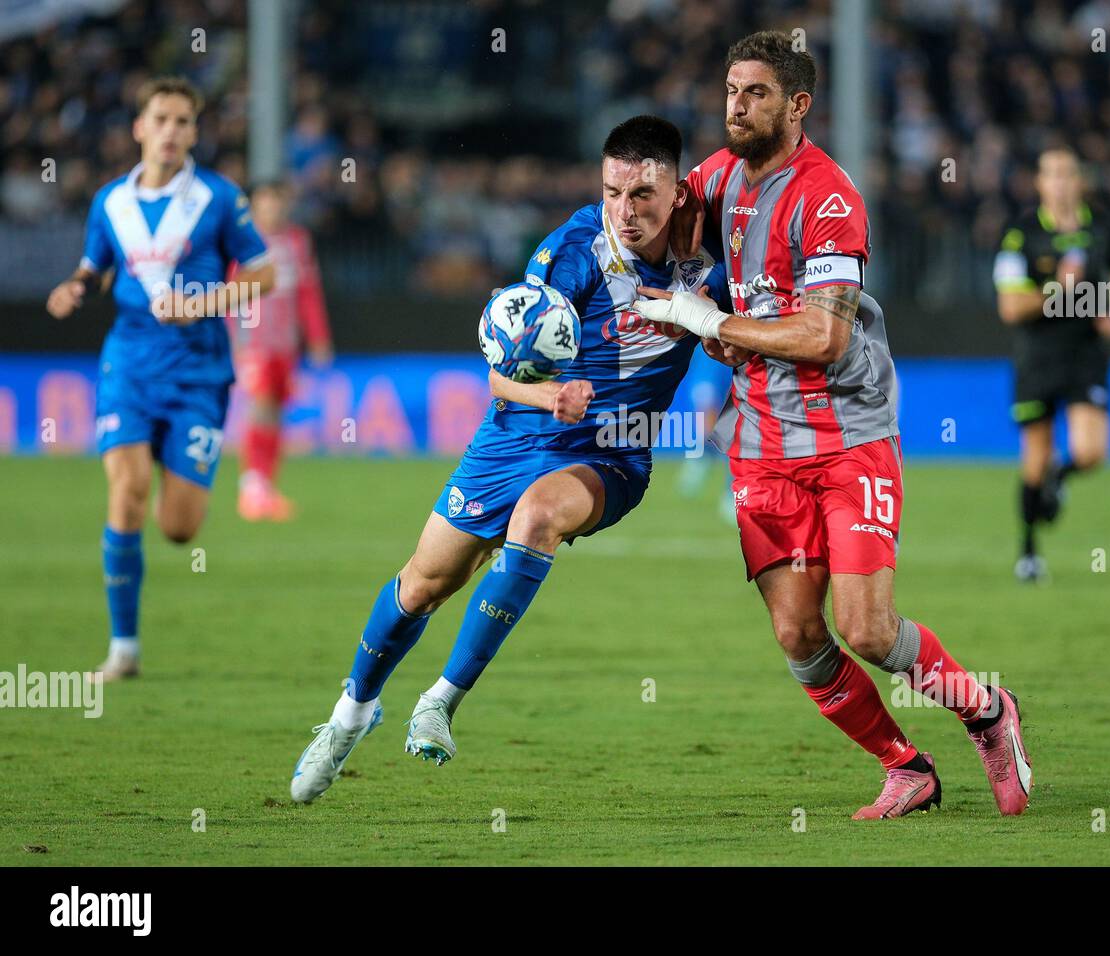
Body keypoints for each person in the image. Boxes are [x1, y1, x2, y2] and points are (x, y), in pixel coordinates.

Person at [638, 31, 1032, 818]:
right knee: (797, 634)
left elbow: (826, 337)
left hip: (849, 435)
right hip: (761, 445)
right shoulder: (716, 180)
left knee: (867, 627)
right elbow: (656, 228)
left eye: (754, 93)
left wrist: (706, 318)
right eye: (729, 91)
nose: (736, 106)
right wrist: (649, 256)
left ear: (797, 105)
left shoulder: (828, 197)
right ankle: (905, 767)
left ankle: (985, 710)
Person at [290, 116, 737, 804]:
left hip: (611, 452)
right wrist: (551, 390)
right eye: (613, 191)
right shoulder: (572, 252)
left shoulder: (713, 263)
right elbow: (498, 376)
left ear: (677, 191)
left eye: (642, 194)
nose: (625, 210)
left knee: (536, 520)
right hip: (515, 436)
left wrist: (714, 332)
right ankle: (349, 716)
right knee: (422, 587)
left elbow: (739, 344)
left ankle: (440, 701)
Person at [45, 76, 274, 682]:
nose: (172, 131)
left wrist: (204, 300)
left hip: (199, 376)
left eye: (183, 121)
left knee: (178, 528)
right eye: (162, 119)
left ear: (194, 133)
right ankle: (123, 649)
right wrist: (74, 287)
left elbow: (265, 274)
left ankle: (169, 476)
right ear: (139, 128)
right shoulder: (110, 203)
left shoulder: (220, 199)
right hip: (129, 367)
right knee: (127, 492)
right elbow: (94, 266)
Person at [994, 147, 1110, 582]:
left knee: (1092, 452)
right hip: (1038, 356)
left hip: (1085, 354)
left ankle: (1063, 472)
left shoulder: (1107, 229)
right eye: (1051, 174)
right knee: (1034, 455)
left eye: (1068, 174)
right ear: (1039, 183)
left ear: (1080, 181)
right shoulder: (1020, 235)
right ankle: (1029, 551)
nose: (1060, 182)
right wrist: (1060, 290)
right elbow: (1011, 307)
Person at [228, 179, 333, 521]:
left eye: (278, 201)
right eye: (266, 201)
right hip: (253, 341)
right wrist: (230, 340)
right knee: (259, 407)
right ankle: (251, 487)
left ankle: (265, 487)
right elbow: (229, 294)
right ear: (254, 205)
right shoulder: (242, 241)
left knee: (274, 410)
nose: (273, 208)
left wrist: (317, 338)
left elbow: (308, 292)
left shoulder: (296, 241)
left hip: (285, 344)